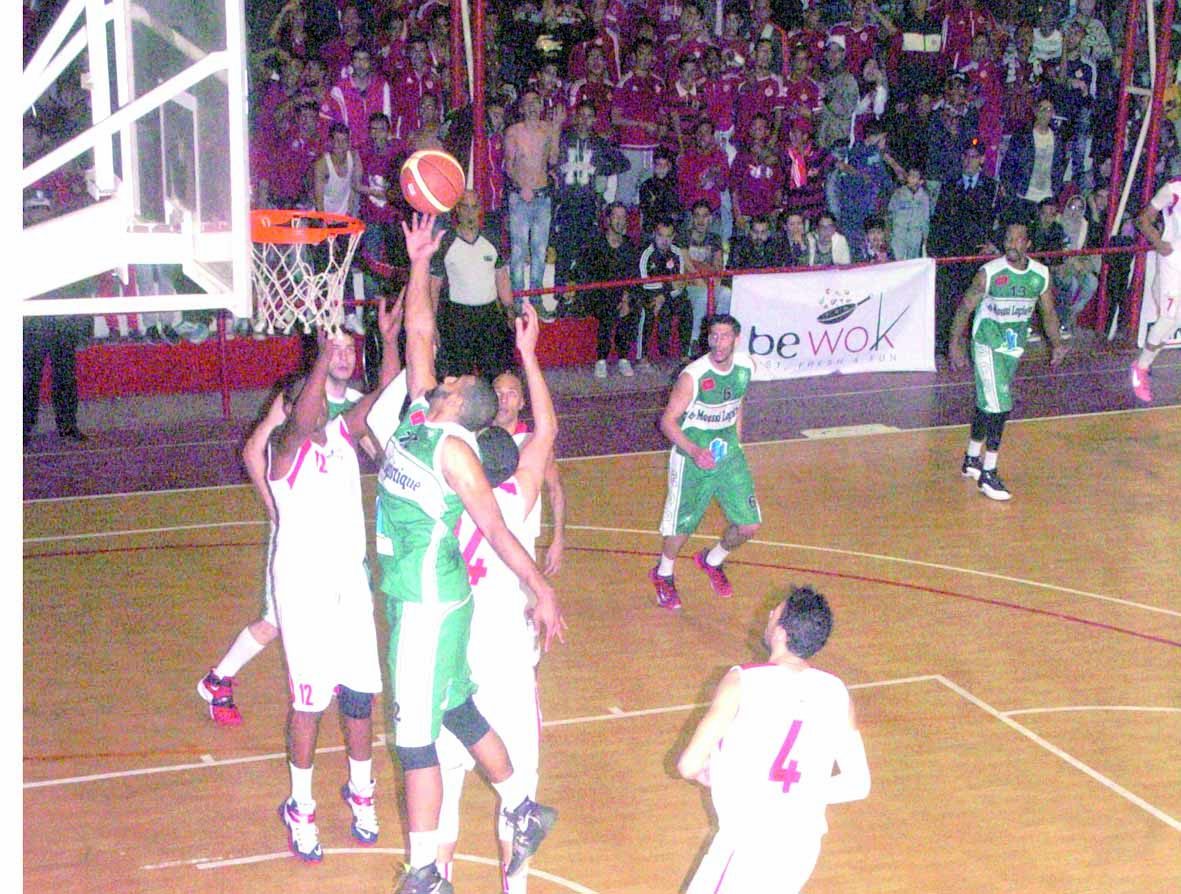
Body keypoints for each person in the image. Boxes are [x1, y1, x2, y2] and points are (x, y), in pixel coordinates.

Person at [371, 214, 564, 894]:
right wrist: (420, 260)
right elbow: (420, 333)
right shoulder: (426, 416)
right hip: (431, 600)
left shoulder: (456, 453)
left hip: (427, 602)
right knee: (456, 710)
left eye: (447, 385)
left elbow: (503, 535)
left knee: (413, 741)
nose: (437, 381)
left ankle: (424, 870)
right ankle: (522, 807)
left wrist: (540, 588)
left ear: (461, 405)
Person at [196, 308, 396, 725]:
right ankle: (219, 677)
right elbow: (255, 450)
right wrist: (276, 509)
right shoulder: (299, 397)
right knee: (277, 620)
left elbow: (377, 448)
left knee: (300, 618)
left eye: (349, 348)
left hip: (336, 539)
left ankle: (323, 677)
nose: (342, 356)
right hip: (298, 535)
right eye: (335, 347)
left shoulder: (357, 404)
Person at [267, 307, 404, 863]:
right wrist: (323, 354)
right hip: (303, 588)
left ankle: (362, 791)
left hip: (350, 581)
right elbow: (303, 417)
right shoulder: (286, 450)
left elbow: (386, 394)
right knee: (309, 702)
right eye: (314, 395)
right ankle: (300, 805)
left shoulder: (344, 437)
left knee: (360, 695)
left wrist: (391, 340)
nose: (322, 402)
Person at [434, 321, 559, 893]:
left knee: (443, 791)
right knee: (520, 795)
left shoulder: (446, 498)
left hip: (452, 658)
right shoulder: (517, 497)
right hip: (506, 661)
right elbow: (547, 432)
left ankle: (436, 879)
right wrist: (530, 356)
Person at [677, 584, 871, 893]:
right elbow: (857, 784)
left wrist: (722, 774)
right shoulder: (836, 692)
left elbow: (688, 765)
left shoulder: (743, 679)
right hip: (802, 846)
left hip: (747, 845)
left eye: (775, 613)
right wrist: (797, 792)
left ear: (780, 632)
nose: (768, 615)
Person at [950, 223, 1068, 501]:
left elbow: (1048, 312)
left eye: (1018, 239)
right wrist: (954, 343)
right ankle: (989, 472)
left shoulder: (1039, 275)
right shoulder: (989, 273)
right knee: (1000, 403)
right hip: (986, 341)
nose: (1011, 244)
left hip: (1012, 346)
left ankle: (970, 459)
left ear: (1028, 244)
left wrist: (1057, 343)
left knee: (986, 402)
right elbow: (965, 307)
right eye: (1007, 239)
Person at [649, 314, 760, 610]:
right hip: (692, 457)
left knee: (749, 526)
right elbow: (667, 422)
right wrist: (696, 452)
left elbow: (737, 403)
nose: (718, 342)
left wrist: (738, 441)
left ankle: (712, 560)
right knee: (682, 527)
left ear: (736, 340)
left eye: (724, 336)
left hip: (727, 454)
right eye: (713, 336)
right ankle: (663, 574)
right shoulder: (693, 377)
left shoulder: (747, 366)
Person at [23, 190, 88, 446]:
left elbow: (79, 280)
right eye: (33, 209)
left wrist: (81, 321)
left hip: (61, 321)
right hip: (30, 323)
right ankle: (22, 429)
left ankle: (68, 426)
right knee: (27, 379)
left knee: (65, 377)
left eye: (42, 209)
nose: (38, 214)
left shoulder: (63, 240)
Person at [430, 190, 516, 381]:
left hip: (490, 318)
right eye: (465, 207)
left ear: (480, 209)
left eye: (474, 206)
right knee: (460, 379)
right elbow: (434, 287)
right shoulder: (445, 242)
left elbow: (501, 276)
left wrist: (510, 309)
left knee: (496, 376)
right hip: (458, 319)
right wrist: (433, 324)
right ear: (457, 210)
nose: (470, 212)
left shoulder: (492, 239)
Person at [504, 89, 564, 300]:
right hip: (520, 197)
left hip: (542, 196)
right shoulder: (514, 131)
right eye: (527, 103)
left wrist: (556, 129)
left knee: (540, 250)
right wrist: (521, 187)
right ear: (521, 108)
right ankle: (519, 300)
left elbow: (554, 159)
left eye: (535, 102)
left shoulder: (547, 129)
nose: (531, 106)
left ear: (541, 106)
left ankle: (536, 298)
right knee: (519, 251)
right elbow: (509, 166)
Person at [1131, 179, 1181, 403]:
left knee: (1174, 321)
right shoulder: (1174, 188)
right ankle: (1140, 368)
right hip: (1174, 261)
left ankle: (1144, 362)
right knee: (1167, 320)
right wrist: (1161, 245)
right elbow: (1143, 219)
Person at [580, 202, 644, 377]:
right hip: (599, 294)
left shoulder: (630, 245)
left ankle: (623, 357)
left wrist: (626, 299)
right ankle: (601, 359)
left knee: (633, 306)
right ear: (607, 220)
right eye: (616, 216)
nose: (620, 221)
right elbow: (588, 274)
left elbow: (632, 276)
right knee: (608, 305)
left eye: (623, 217)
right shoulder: (596, 244)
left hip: (622, 293)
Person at [638, 219, 694, 364]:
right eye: (661, 236)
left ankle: (684, 354)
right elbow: (645, 285)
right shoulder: (646, 254)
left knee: (686, 307)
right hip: (650, 296)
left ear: (674, 236)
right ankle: (643, 356)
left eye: (668, 236)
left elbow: (680, 284)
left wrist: (664, 294)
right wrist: (665, 291)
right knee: (649, 310)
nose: (664, 240)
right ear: (654, 235)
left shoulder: (677, 253)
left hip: (668, 296)